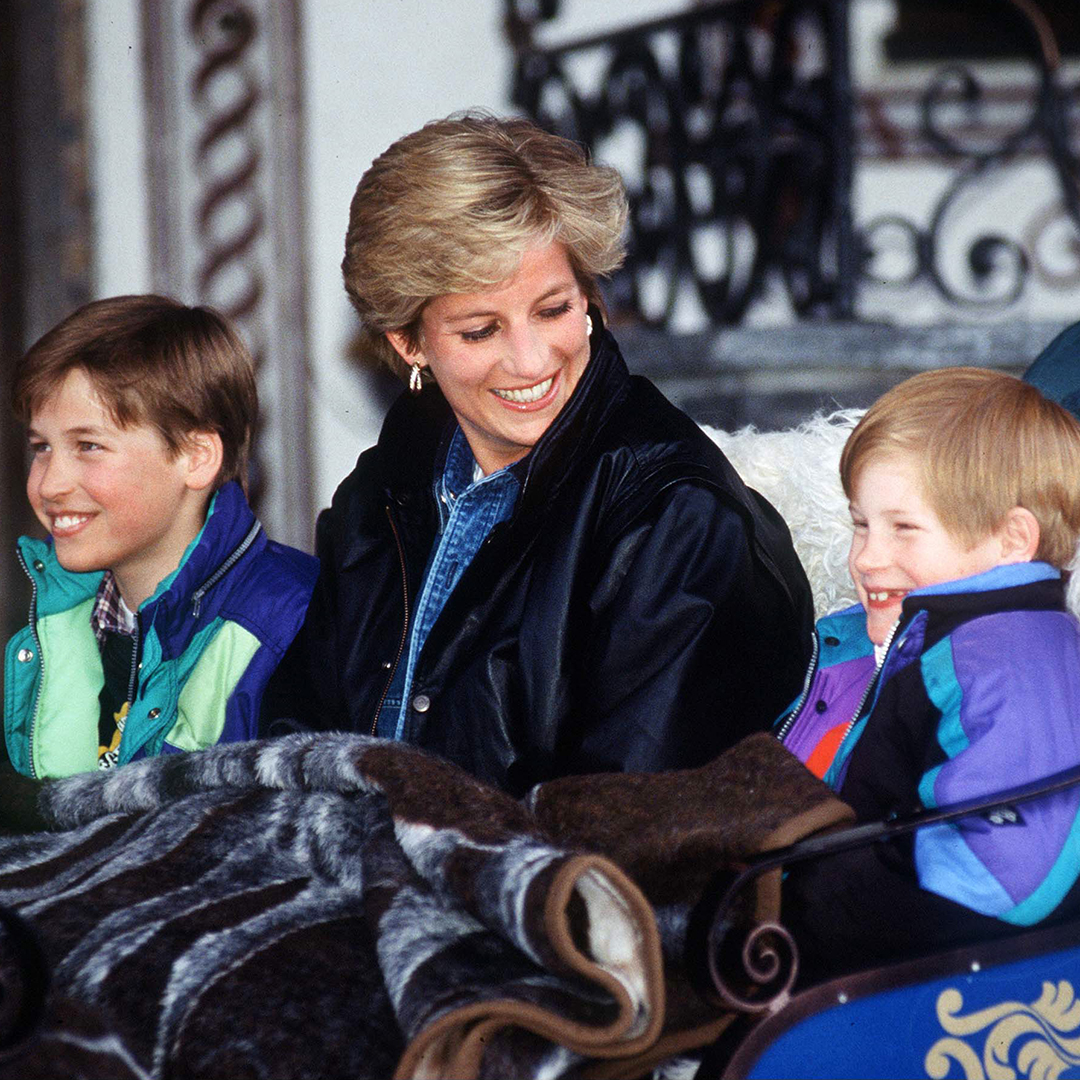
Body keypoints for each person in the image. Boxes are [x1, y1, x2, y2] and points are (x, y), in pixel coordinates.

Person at [262, 112, 814, 795]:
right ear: (409, 344)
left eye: (552, 310)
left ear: (587, 298)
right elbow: (295, 737)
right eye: (481, 329)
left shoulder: (679, 520)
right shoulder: (386, 485)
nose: (530, 360)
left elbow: (625, 837)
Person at [778, 367, 1080, 981]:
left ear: (1011, 539)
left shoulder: (1009, 655)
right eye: (861, 524)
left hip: (941, 984)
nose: (864, 558)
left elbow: (1006, 875)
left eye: (903, 528)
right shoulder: (947, 640)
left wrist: (799, 909)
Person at [3, 295, 319, 828]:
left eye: (89, 446)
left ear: (196, 457)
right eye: (41, 447)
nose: (50, 483)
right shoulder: (50, 623)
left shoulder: (294, 618)